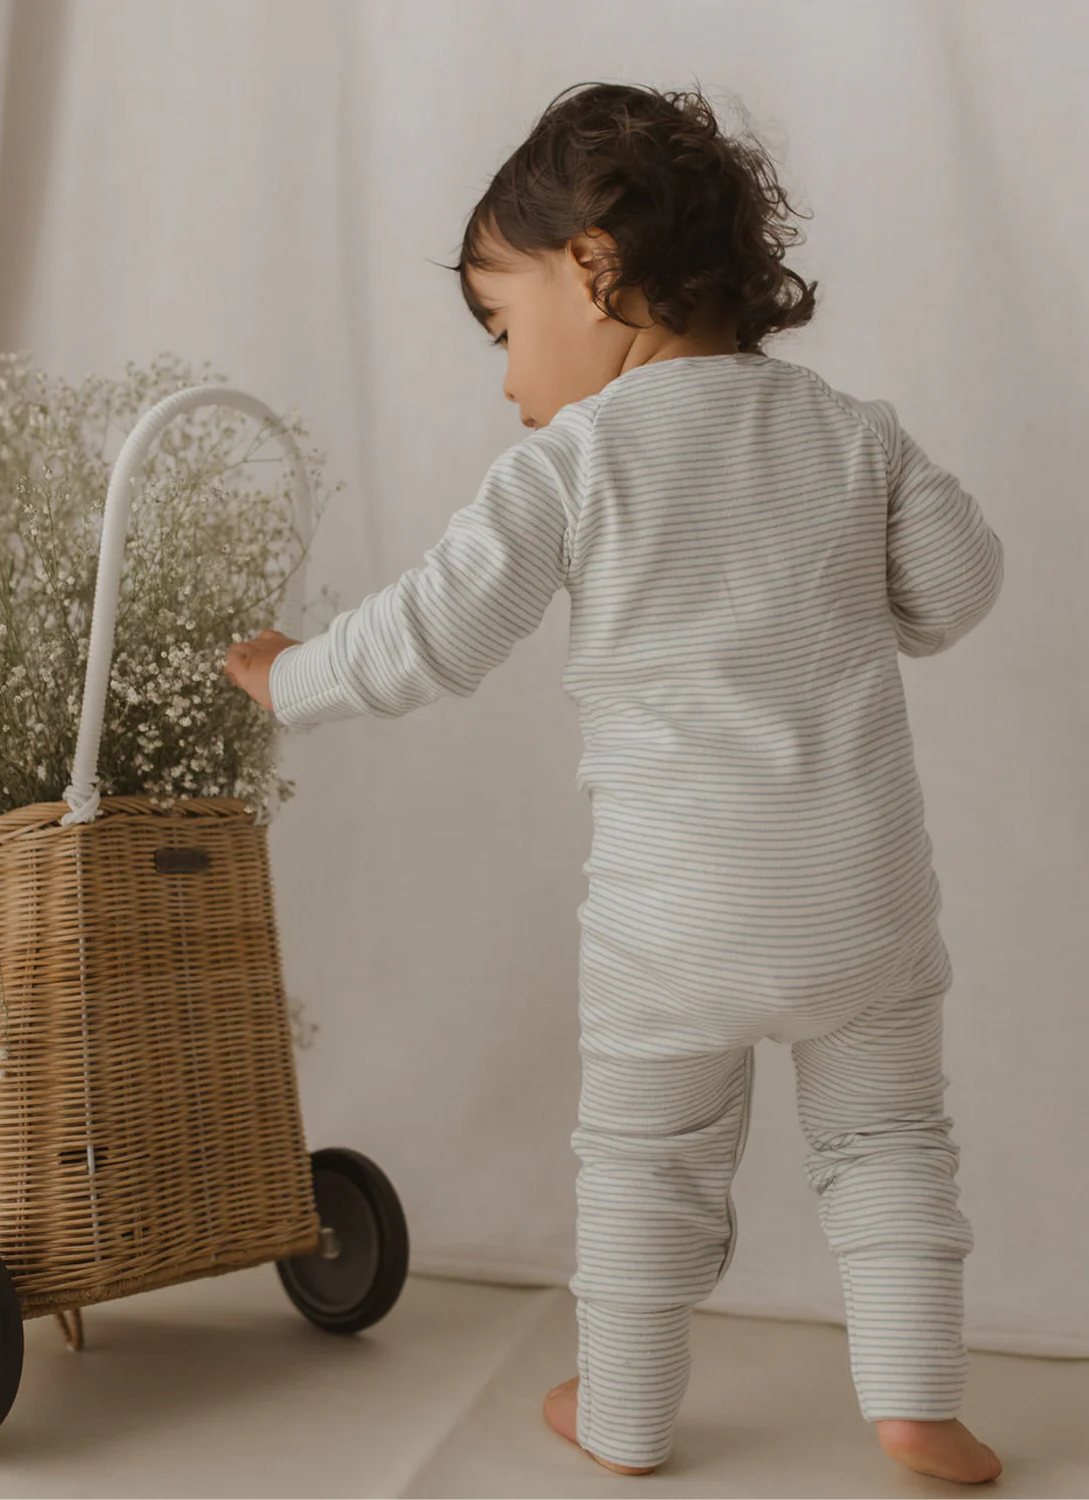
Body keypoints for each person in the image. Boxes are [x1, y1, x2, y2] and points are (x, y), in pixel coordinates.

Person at [225, 81, 1005, 1485]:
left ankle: (631, 1414)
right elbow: (958, 588)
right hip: (862, 910)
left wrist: (297, 675)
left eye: (504, 327)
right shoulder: (849, 430)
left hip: (672, 926)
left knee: (645, 1160)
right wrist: (850, 592)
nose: (509, 376)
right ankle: (917, 1407)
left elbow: (431, 636)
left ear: (594, 267)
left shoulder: (579, 461)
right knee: (890, 1143)